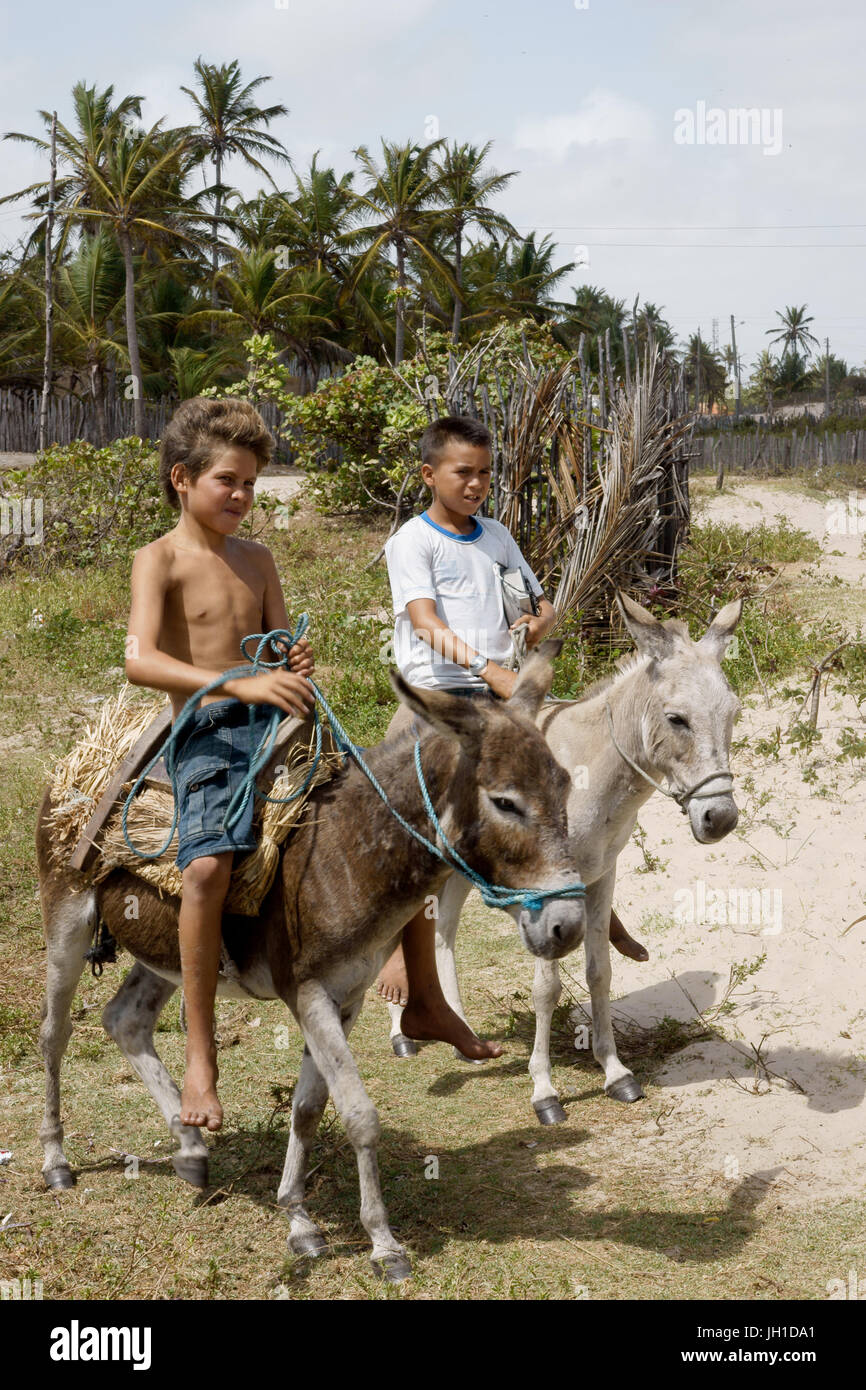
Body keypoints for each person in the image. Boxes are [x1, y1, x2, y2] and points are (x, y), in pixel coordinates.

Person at [378, 415, 647, 1049]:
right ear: (429, 475)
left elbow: (536, 601)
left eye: (485, 474)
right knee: (412, 832)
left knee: (559, 797)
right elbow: (423, 624)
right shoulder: (412, 542)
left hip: (506, 698)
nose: (476, 485)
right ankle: (398, 956)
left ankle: (594, 900)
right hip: (439, 701)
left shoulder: (496, 536)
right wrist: (489, 668)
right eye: (462, 473)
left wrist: (541, 617)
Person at [125, 397, 315, 1132]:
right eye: (227, 482)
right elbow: (140, 660)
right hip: (209, 728)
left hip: (280, 720)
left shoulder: (257, 558)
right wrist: (239, 682)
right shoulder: (160, 560)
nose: (241, 497)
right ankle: (201, 1054)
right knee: (205, 869)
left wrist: (292, 659)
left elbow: (274, 640)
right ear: (182, 478)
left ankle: (418, 988)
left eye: (250, 487)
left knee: (386, 811)